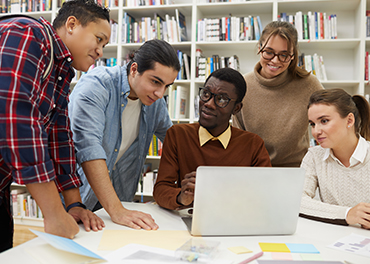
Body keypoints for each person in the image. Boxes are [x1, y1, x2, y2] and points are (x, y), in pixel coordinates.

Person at [0, 0, 111, 252]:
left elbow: (59, 137)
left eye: (104, 46)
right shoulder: (27, 34)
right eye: (99, 39)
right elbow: (15, 118)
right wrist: (53, 212)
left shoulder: (61, 70)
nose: (100, 51)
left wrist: (73, 205)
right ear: (72, 24)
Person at [68, 39, 180, 230]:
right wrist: (116, 210)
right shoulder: (97, 85)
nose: (160, 93)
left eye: (167, 86)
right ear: (134, 69)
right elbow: (89, 149)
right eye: (155, 82)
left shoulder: (155, 102)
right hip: (76, 200)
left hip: (118, 201)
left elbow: (174, 143)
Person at [153, 68, 271, 210]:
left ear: (236, 109)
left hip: (236, 219)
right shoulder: (178, 135)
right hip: (188, 219)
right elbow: (161, 189)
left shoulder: (253, 144)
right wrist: (181, 197)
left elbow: (265, 194)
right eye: (206, 94)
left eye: (221, 99)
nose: (208, 103)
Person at [233, 21, 323, 167]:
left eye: (284, 55)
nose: (275, 60)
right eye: (269, 52)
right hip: (253, 170)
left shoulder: (309, 84)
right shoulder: (242, 85)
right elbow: (238, 140)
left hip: (296, 170)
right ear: (259, 48)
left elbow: (330, 122)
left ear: (293, 56)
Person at [300, 89, 370, 229]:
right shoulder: (314, 156)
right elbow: (298, 200)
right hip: (333, 238)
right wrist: (347, 213)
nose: (315, 131)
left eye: (324, 121)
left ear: (349, 120)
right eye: (312, 124)